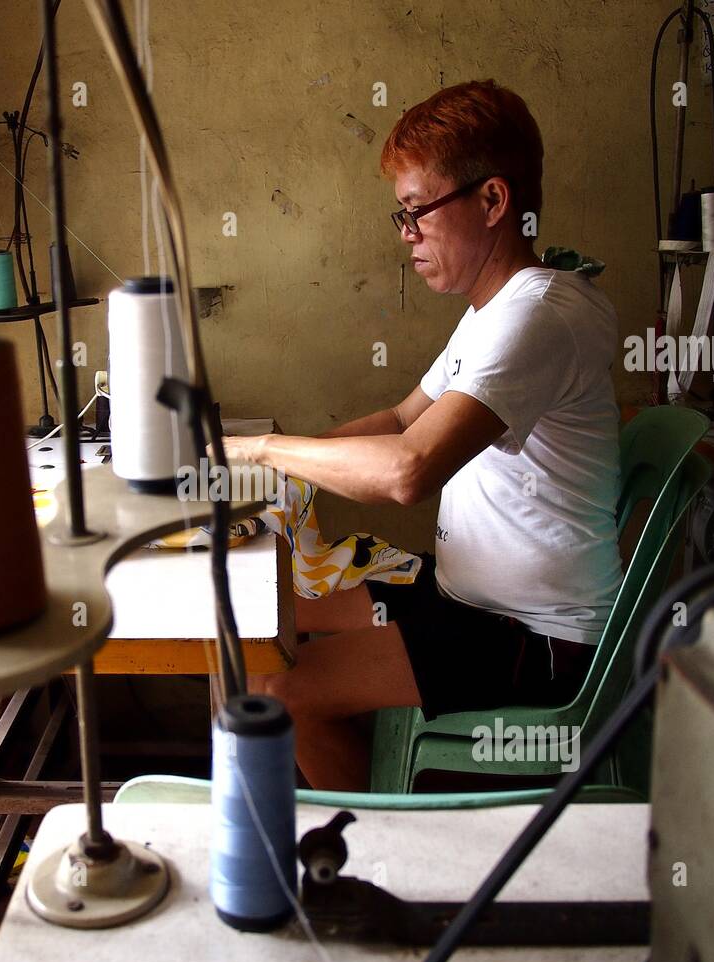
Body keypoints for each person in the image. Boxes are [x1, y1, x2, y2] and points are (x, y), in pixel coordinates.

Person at [221, 80, 623, 792]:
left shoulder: (539, 316)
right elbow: (405, 419)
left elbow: (409, 470)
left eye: (417, 213)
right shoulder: (492, 312)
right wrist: (279, 466)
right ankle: (367, 811)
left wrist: (258, 452)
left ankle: (384, 865)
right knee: (269, 622)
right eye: (401, 214)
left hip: (536, 639)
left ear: (494, 201)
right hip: (467, 597)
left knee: (275, 698)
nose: (406, 234)